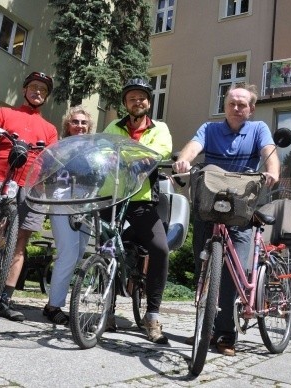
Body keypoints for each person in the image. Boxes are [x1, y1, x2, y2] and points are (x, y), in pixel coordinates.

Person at [173, 83, 280, 356]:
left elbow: (270, 154)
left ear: (251, 109)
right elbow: (192, 148)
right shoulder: (209, 129)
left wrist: (272, 172)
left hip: (241, 210)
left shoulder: (258, 129)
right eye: (232, 103)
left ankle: (226, 334)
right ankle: (203, 330)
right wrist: (184, 161)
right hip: (209, 206)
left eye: (242, 104)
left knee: (234, 273)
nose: (236, 108)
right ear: (224, 105)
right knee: (203, 268)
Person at [0, 71, 58, 322]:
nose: (38, 92)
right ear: (24, 89)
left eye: (43, 90)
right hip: (2, 177)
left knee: (20, 241)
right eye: (33, 87)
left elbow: (52, 161)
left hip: (32, 187)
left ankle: (4, 299)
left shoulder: (50, 129)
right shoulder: (5, 113)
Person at [103, 78, 172, 344]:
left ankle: (152, 314)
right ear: (125, 104)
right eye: (132, 98)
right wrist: (136, 155)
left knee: (160, 249)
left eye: (142, 97)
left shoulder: (160, 128)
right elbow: (105, 148)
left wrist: (127, 155)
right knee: (105, 250)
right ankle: (106, 311)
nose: (137, 101)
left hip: (141, 199)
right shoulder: (113, 126)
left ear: (149, 102)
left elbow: (161, 151)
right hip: (113, 196)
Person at [43, 106, 94, 324]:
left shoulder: (94, 148)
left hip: (87, 202)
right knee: (68, 254)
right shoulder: (59, 147)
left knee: (78, 253)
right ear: (68, 125)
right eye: (75, 121)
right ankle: (53, 306)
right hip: (63, 199)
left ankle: (59, 301)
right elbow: (46, 172)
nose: (79, 125)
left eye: (83, 122)